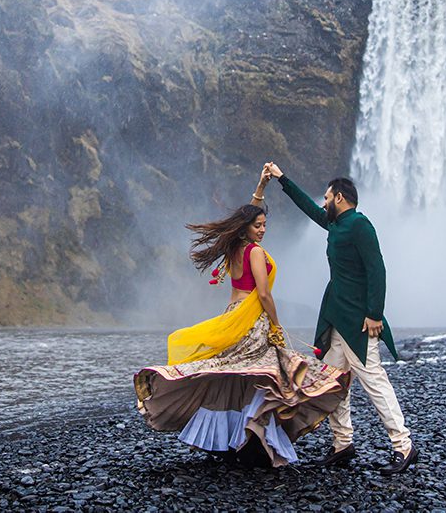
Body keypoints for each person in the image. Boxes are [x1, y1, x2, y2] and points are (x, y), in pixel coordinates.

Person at [133, 169, 350, 467]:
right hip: (251, 322)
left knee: (235, 375)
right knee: (267, 374)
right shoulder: (256, 253)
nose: (262, 230)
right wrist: (275, 324)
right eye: (258, 226)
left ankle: (230, 438)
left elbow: (248, 213)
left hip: (232, 316)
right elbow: (263, 294)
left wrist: (261, 186)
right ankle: (256, 434)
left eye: (264, 225)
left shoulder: (234, 247)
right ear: (246, 228)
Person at [265, 162, 419, 475]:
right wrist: (283, 179)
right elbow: (309, 208)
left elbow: (377, 269)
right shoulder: (336, 224)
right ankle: (342, 443)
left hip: (359, 321)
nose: (323, 202)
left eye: (326, 197)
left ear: (339, 198)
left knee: (374, 381)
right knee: (335, 382)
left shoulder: (360, 225)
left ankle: (404, 445)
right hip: (337, 317)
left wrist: (375, 314)